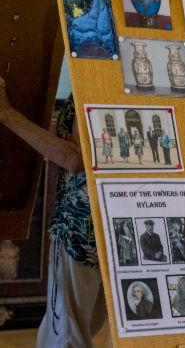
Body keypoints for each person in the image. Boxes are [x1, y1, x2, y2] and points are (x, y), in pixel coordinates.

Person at [0, 77, 108, 347]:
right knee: (82, 327)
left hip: (80, 230)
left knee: (66, 334)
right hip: (110, 224)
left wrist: (7, 114)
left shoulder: (95, 75)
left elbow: (73, 159)